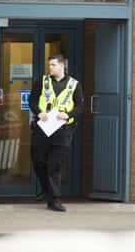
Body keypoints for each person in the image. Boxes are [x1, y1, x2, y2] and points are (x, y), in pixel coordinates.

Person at [29, 54, 84, 212]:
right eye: (50, 65)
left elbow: (80, 107)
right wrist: (39, 112)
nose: (50, 67)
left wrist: (68, 115)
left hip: (62, 130)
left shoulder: (74, 84)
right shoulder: (42, 81)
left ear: (62, 66)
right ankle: (47, 189)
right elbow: (32, 101)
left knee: (55, 165)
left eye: (53, 65)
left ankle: (54, 200)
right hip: (43, 128)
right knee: (38, 161)